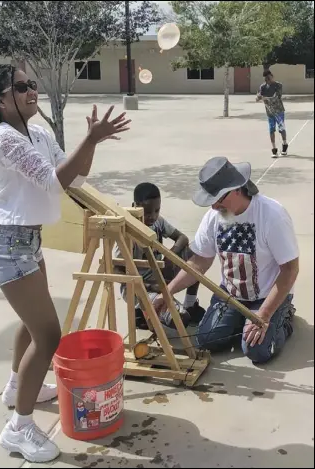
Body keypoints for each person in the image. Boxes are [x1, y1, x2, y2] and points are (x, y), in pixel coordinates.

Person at [0, 64, 131, 463]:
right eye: (23, 87)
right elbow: (53, 182)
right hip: (7, 246)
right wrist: (91, 137)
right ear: (1, 100)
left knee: (33, 326)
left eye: (33, 84)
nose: (33, 91)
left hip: (28, 242)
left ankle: (16, 388)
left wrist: (92, 142)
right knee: (48, 335)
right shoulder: (3, 138)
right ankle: (20, 428)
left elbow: (75, 174)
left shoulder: (40, 133)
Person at [153, 157, 299, 364]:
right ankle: (241, 320)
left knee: (257, 351)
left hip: (267, 297)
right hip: (231, 295)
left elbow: (290, 270)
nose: (214, 206)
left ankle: (282, 317)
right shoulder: (213, 217)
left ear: (237, 189)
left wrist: (265, 315)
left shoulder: (272, 216)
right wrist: (167, 293)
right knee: (206, 340)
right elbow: (199, 262)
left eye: (219, 199)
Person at [115, 182, 205, 330]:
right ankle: (142, 312)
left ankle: (190, 304)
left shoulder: (158, 222)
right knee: (181, 320)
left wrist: (170, 256)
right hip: (138, 287)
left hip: (158, 274)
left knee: (196, 253)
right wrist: (150, 286)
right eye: (148, 212)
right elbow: (115, 268)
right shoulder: (128, 232)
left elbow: (182, 238)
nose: (153, 216)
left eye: (157, 210)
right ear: (134, 206)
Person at [256, 70, 288, 158]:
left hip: (279, 111)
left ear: (272, 76)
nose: (267, 81)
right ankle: (274, 149)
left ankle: (284, 144)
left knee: (281, 128)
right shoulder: (262, 87)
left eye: (269, 78)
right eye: (266, 79)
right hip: (269, 112)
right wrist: (258, 97)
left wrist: (264, 98)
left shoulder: (278, 85)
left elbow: (277, 97)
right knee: (271, 129)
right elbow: (258, 96)